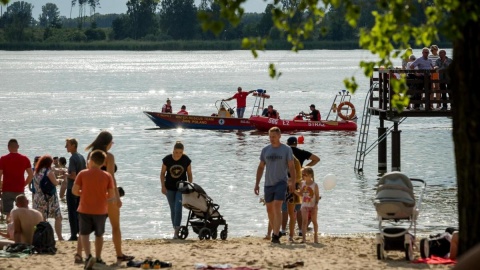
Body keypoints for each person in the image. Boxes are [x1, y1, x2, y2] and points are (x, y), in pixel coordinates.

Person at [85, 131, 133, 263]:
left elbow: (89, 175)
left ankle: (95, 257)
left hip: (94, 194)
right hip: (108, 195)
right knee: (115, 226)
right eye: (112, 142)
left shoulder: (90, 155)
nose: (112, 144)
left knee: (96, 228)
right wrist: (117, 197)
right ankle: (119, 254)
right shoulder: (109, 157)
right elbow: (111, 177)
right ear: (108, 143)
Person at [73, 150, 116, 269]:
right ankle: (98, 257)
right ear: (103, 163)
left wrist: (84, 192)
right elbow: (111, 195)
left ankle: (88, 256)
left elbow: (75, 191)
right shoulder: (107, 176)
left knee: (84, 233)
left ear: (90, 161)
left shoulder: (82, 173)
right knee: (99, 234)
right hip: (101, 209)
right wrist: (102, 195)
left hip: (85, 208)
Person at [255, 127, 296, 244]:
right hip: (268, 183)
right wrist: (257, 183)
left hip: (281, 182)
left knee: (277, 206)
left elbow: (292, 167)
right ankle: (275, 231)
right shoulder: (265, 150)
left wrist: (292, 181)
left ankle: (276, 235)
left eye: (274, 136)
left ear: (279, 136)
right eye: (270, 137)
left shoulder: (286, 150)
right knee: (269, 209)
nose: (272, 139)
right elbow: (261, 167)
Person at [286, 136, 320, 236]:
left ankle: (284, 230)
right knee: (300, 207)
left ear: (287, 143)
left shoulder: (286, 152)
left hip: (286, 180)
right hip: (299, 180)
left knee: (285, 209)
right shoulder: (301, 152)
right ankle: (301, 230)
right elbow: (317, 159)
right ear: (296, 143)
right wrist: (304, 168)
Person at [160, 141, 193, 239]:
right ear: (173, 150)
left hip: (181, 188)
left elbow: (189, 174)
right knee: (173, 209)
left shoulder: (186, 160)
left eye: (180, 152)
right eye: (176, 152)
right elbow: (162, 173)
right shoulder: (167, 159)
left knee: (178, 208)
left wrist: (190, 186)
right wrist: (163, 186)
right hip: (169, 187)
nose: (178, 154)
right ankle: (175, 229)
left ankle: (176, 232)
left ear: (182, 152)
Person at [32, 155, 64, 241]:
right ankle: (60, 237)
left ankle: (40, 237)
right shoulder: (48, 171)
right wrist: (60, 180)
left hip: (38, 197)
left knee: (41, 219)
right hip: (49, 197)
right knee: (58, 217)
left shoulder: (36, 171)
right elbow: (55, 183)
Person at [0, 139, 33, 221]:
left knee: (8, 214)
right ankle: (21, 231)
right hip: (20, 189)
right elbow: (31, 175)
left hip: (7, 189)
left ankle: (9, 232)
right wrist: (24, 184)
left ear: (8, 147)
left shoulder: (3, 159)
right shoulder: (25, 159)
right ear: (18, 147)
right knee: (23, 212)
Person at [65, 138, 86, 244]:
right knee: (78, 211)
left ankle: (73, 234)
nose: (66, 147)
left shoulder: (73, 158)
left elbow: (73, 176)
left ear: (73, 145)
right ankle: (80, 232)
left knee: (72, 211)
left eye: (67, 145)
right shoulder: (81, 157)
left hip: (72, 188)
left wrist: (66, 175)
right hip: (81, 188)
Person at [298, 167, 320, 243]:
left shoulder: (315, 185)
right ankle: (304, 238)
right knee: (304, 221)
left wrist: (316, 205)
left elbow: (317, 196)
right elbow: (301, 194)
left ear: (310, 175)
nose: (303, 176)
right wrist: (294, 191)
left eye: (305, 174)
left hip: (313, 206)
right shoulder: (302, 184)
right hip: (304, 205)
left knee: (314, 221)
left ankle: (315, 236)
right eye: (302, 174)